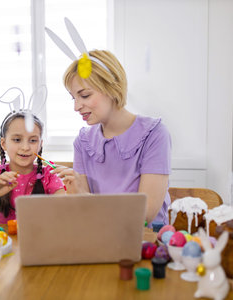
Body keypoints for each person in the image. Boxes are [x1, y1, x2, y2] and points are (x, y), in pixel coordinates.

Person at [53, 50, 172, 226]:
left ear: (111, 88)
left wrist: (84, 197)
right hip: (100, 234)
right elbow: (84, 212)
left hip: (145, 241)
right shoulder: (83, 142)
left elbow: (145, 213)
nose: (76, 107)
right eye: (74, 98)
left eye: (84, 95)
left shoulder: (154, 135)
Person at [0, 112, 66, 225]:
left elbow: (65, 218)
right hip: (3, 241)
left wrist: (73, 191)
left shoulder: (49, 177)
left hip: (37, 240)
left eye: (33, 140)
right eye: (17, 140)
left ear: (40, 144)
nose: (25, 147)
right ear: (4, 143)